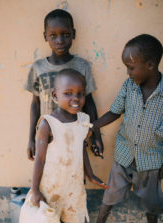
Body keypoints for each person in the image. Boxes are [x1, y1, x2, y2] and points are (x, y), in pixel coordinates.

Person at [78, 34, 163, 223]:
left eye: (131, 67)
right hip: (124, 156)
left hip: (151, 161)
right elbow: (115, 111)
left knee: (151, 203)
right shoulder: (129, 86)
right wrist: (93, 127)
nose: (128, 73)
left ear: (150, 65)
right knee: (109, 198)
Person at [31, 69, 108, 223]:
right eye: (68, 93)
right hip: (52, 188)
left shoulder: (83, 120)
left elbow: (80, 148)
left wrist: (90, 174)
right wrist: (35, 189)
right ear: (55, 96)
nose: (75, 98)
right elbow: (39, 159)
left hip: (74, 186)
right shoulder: (47, 123)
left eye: (80, 94)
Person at [25, 9, 103, 160]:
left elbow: (89, 103)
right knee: (48, 178)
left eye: (66, 34)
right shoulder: (38, 68)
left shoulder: (82, 66)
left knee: (75, 174)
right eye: (53, 36)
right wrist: (31, 139)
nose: (59, 40)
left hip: (76, 136)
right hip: (47, 137)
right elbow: (35, 104)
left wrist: (97, 137)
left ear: (74, 34)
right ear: (45, 36)